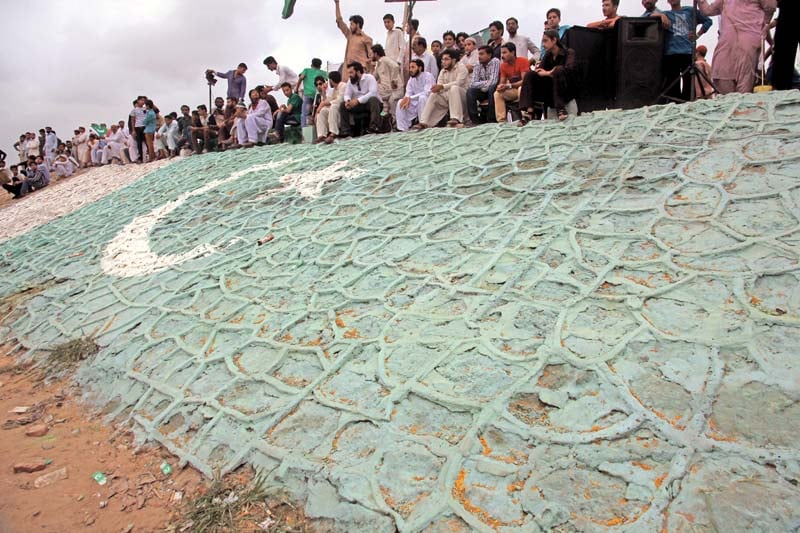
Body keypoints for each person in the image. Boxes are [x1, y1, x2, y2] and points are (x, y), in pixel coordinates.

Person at [698, 0, 777, 94]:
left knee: (745, 80)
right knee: (722, 75)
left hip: (748, 41)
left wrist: (762, 24)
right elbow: (707, 10)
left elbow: (771, 6)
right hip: (727, 44)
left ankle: (742, 105)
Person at [659, 0, 713, 102]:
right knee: (672, 82)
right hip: (671, 53)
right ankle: (674, 105)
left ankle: (687, 104)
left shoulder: (690, 11)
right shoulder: (666, 14)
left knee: (688, 82)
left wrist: (697, 34)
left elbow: (708, 21)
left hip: (687, 51)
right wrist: (660, 15)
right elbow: (650, 16)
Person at [519, 29, 578, 123]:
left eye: (545, 41)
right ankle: (530, 112)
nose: (543, 44)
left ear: (554, 40)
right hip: (550, 92)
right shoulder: (547, 55)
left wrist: (548, 73)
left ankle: (561, 109)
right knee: (530, 75)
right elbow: (539, 71)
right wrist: (541, 73)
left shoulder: (569, 52)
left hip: (566, 91)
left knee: (559, 69)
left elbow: (568, 70)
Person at [416, 49, 469, 129]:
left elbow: (459, 83)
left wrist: (442, 87)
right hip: (448, 97)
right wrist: (437, 88)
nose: (443, 62)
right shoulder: (442, 71)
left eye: (446, 59)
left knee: (454, 88)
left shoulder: (461, 67)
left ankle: (455, 119)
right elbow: (439, 86)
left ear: (454, 60)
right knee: (434, 94)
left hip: (462, 97)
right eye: (442, 60)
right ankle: (424, 122)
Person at [339, 61, 382, 137]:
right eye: (348, 73)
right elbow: (347, 94)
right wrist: (348, 101)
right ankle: (345, 131)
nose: (349, 75)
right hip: (359, 106)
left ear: (358, 72)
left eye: (351, 72)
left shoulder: (370, 78)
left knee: (373, 99)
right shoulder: (350, 81)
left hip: (372, 104)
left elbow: (373, 93)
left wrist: (358, 101)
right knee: (343, 105)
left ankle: (374, 127)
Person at [494, 43, 530, 123]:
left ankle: (525, 116)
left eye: (504, 52)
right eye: (501, 53)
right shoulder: (503, 66)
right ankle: (501, 121)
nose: (502, 55)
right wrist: (500, 87)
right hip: (514, 91)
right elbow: (502, 82)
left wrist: (509, 85)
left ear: (513, 53)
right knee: (497, 93)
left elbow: (525, 81)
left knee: (521, 88)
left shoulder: (523, 61)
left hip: (527, 90)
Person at [396, 59, 435, 132]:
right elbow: (408, 93)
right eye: (410, 67)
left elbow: (427, 92)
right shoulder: (411, 79)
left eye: (413, 67)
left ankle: (423, 124)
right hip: (415, 102)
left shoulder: (428, 75)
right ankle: (402, 128)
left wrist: (410, 98)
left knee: (422, 98)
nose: (410, 70)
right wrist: (407, 98)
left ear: (420, 68)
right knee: (400, 102)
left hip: (428, 101)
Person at [334, 1, 374, 72]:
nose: (350, 26)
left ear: (358, 25)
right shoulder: (350, 35)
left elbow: (371, 57)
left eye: (352, 24)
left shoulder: (367, 39)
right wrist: (337, 3)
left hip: (361, 72)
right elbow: (339, 21)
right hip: (348, 72)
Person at [467, 45, 501, 125]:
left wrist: (483, 86)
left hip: (494, 89)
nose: (479, 56)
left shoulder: (495, 61)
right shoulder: (478, 64)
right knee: (470, 91)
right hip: (483, 90)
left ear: (489, 55)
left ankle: (491, 119)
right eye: (479, 54)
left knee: (492, 88)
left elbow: (494, 81)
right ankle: (475, 120)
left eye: (482, 54)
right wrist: (485, 84)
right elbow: (472, 83)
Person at [772, 0, 798, 90]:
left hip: (787, 13)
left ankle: (781, 88)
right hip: (787, 13)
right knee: (783, 58)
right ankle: (781, 88)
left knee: (783, 57)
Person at [372, 44, 404, 119]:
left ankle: (396, 125)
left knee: (394, 111)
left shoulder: (385, 60)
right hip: (387, 92)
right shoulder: (379, 64)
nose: (371, 56)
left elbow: (396, 66)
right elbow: (373, 78)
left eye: (372, 53)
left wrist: (394, 80)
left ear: (376, 54)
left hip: (395, 90)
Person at [315, 71, 347, 143]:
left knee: (333, 106)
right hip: (336, 110)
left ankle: (333, 133)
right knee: (323, 111)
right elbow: (329, 99)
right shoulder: (334, 89)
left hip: (342, 109)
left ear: (331, 80)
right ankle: (322, 135)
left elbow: (340, 100)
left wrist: (327, 103)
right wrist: (323, 94)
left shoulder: (343, 86)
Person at [296, 58, 328, 127]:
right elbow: (328, 80)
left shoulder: (306, 70)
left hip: (308, 95)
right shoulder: (323, 72)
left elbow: (300, 78)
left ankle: (304, 130)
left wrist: (296, 88)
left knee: (304, 114)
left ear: (311, 64)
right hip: (319, 95)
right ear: (320, 66)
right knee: (319, 111)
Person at [128, 97, 146, 162]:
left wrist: (147, 100)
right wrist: (133, 130)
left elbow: (155, 109)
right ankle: (140, 158)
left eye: (144, 100)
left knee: (146, 142)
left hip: (145, 127)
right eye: (141, 100)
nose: (142, 102)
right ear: (138, 101)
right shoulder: (134, 110)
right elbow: (132, 120)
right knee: (139, 143)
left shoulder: (145, 109)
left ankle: (149, 156)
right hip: (137, 127)